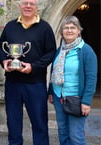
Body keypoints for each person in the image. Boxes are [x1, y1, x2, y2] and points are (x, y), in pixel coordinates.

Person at [0, 0, 57, 144]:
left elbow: (50, 52)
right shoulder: (10, 26)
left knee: (39, 123)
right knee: (13, 122)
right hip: (12, 83)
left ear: (37, 7)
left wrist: (33, 67)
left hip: (35, 84)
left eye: (31, 4)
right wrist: (4, 61)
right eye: (25, 3)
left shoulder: (45, 27)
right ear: (20, 6)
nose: (28, 6)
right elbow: (0, 48)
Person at [48, 16, 97, 145]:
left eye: (72, 28)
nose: (69, 30)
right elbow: (54, 72)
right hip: (59, 97)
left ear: (78, 31)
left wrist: (86, 101)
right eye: (66, 28)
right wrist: (51, 92)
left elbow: (91, 79)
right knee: (63, 132)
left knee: (76, 136)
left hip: (77, 99)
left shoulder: (86, 51)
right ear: (62, 31)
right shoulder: (60, 50)